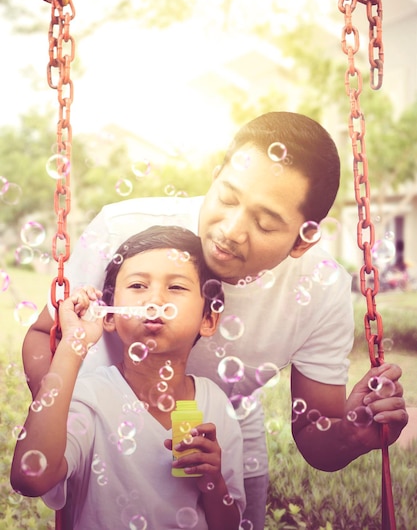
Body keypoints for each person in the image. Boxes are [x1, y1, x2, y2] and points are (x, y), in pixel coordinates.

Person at [22, 111, 408, 530]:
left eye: (264, 222)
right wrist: (66, 415)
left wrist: (350, 435)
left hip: (221, 426)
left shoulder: (321, 289)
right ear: (216, 174)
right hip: (103, 424)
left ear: (304, 238)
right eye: (226, 197)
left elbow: (318, 438)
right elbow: (45, 334)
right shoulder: (125, 230)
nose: (231, 230)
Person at [11, 226, 245, 530]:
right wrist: (74, 344)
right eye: (137, 285)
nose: (154, 300)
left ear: (208, 319)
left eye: (176, 287)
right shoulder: (90, 399)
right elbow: (30, 478)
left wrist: (213, 481)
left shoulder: (215, 403)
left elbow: (229, 524)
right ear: (108, 315)